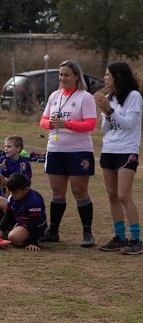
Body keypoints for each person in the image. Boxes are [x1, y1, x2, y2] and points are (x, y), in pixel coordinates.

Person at [39, 60, 98, 247]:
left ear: (76, 77)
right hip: (56, 149)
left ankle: (87, 233)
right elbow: (43, 120)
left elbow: (90, 124)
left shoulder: (85, 97)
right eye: (60, 74)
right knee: (57, 192)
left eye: (66, 74)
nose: (62, 78)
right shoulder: (55, 95)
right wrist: (50, 124)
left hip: (78, 150)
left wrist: (67, 124)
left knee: (79, 191)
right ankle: (53, 231)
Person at [94, 62, 141, 254]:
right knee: (112, 196)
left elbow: (129, 125)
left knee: (123, 195)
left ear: (118, 77)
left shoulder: (134, 96)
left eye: (107, 75)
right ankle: (119, 237)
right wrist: (105, 111)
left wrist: (110, 110)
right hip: (109, 149)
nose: (104, 78)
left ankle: (136, 239)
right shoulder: (109, 97)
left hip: (126, 150)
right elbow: (105, 129)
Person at [0, 173, 47, 251]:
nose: (12, 195)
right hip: (21, 222)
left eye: (15, 193)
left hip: (34, 225)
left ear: (26, 189)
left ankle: (34, 238)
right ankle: (4, 234)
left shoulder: (34, 200)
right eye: (11, 192)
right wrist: (0, 229)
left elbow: (34, 222)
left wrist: (33, 242)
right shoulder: (12, 197)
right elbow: (8, 214)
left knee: (14, 237)